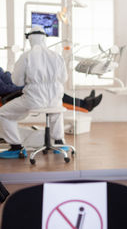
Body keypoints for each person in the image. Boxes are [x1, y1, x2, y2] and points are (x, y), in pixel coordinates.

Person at [0, 27, 68, 159]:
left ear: (30, 39)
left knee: (3, 114)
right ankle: (59, 143)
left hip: (34, 100)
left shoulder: (26, 56)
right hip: (55, 98)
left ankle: (16, 147)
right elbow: (64, 78)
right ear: (44, 38)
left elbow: (17, 82)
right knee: (56, 110)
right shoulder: (57, 56)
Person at [0, 68, 103, 113]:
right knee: (51, 93)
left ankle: (84, 103)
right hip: (9, 96)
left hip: (16, 91)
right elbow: (3, 89)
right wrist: (25, 86)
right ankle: (85, 105)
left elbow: (7, 76)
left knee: (53, 89)